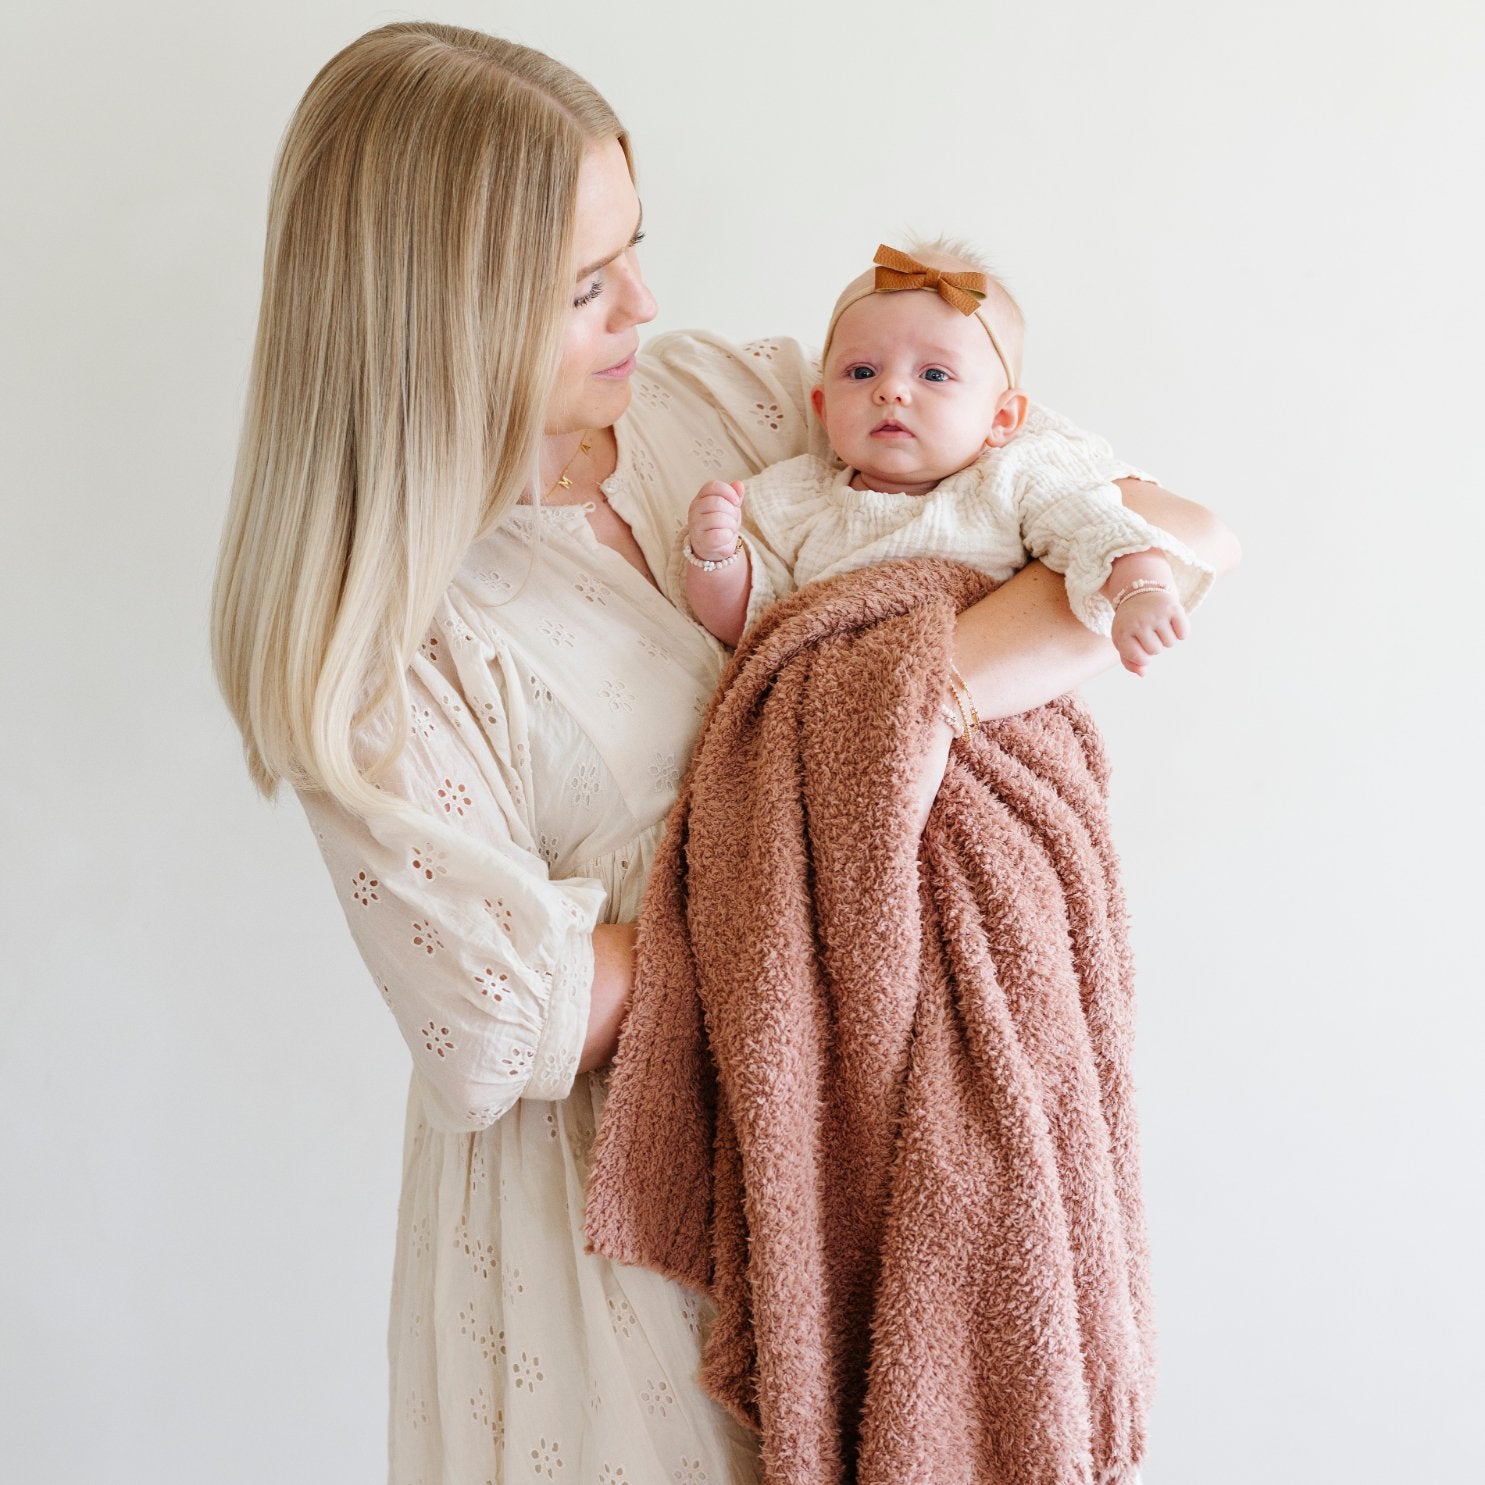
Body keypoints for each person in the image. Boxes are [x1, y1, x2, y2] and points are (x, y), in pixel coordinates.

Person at [210, 20, 1239, 1485]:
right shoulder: (367, 638)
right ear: (441, 310)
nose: (643, 299)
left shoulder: (734, 401)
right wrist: (819, 812)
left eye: (636, 245)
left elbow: (1172, 537)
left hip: (870, 1165)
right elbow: (509, 1019)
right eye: (583, 285)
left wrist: (874, 718)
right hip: (626, 1249)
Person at [686, 241, 1209, 680]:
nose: (891, 390)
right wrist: (717, 557)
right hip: (843, 694)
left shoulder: (1015, 480)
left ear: (1002, 419)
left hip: (975, 709)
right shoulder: (793, 496)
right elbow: (751, 625)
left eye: (934, 375)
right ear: (822, 409)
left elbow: (1099, 528)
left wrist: (1142, 590)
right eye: (862, 372)